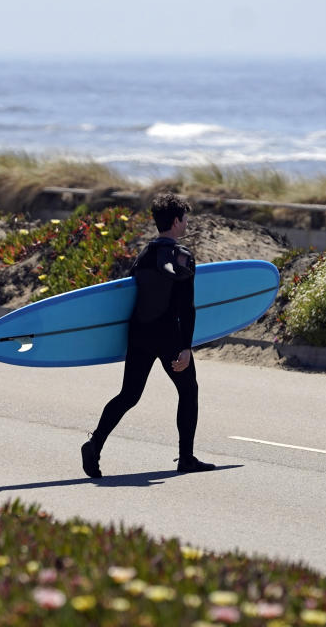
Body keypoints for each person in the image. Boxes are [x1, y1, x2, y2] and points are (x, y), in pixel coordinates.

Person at [81, 192, 215, 477]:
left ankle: (94, 444)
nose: (187, 223)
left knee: (129, 395)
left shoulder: (144, 255)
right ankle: (186, 458)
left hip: (140, 332)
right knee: (188, 390)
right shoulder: (183, 257)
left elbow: (130, 296)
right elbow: (186, 307)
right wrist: (186, 347)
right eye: (186, 218)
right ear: (177, 221)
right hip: (168, 335)